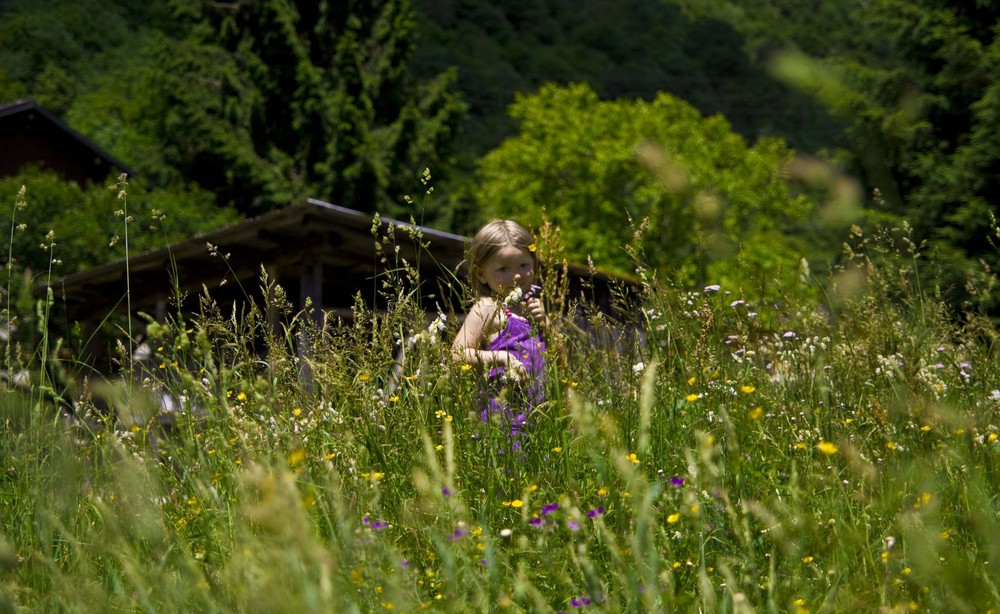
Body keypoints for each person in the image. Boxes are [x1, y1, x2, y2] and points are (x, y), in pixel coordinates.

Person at [453, 220, 548, 451]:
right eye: (503, 269)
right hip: (501, 423)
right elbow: (457, 354)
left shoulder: (532, 306)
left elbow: (559, 358)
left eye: (524, 264)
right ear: (481, 274)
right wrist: (501, 358)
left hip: (539, 421)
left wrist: (545, 323)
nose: (516, 276)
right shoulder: (487, 308)